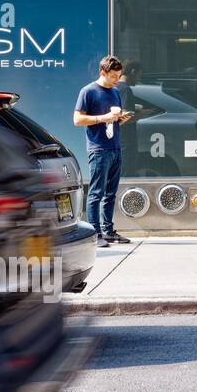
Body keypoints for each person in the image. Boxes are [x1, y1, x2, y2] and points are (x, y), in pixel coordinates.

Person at [73, 55, 134, 248]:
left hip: (115, 146)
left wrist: (119, 120)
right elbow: (77, 120)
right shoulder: (88, 91)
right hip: (98, 148)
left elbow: (112, 119)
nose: (117, 80)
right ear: (103, 72)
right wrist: (104, 117)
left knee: (111, 193)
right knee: (96, 192)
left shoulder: (115, 92)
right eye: (113, 76)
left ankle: (108, 231)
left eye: (119, 76)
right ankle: (95, 232)